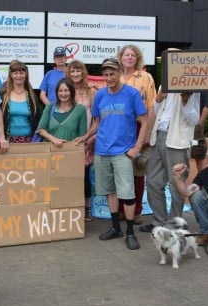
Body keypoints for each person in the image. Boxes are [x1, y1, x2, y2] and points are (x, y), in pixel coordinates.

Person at [74, 58, 149, 250]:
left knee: (128, 193)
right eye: (106, 75)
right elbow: (97, 122)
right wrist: (86, 137)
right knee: (110, 191)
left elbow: (145, 120)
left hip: (123, 152)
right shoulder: (99, 96)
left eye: (112, 74)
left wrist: (137, 147)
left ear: (119, 73)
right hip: (102, 150)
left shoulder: (131, 94)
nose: (109, 78)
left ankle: (130, 232)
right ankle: (116, 228)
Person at [139, 86, 200, 233]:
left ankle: (174, 225)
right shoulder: (164, 84)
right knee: (153, 182)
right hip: (158, 136)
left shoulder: (193, 86)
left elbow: (194, 119)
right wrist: (159, 99)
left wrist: (186, 102)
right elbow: (157, 109)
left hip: (178, 140)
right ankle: (159, 222)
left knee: (176, 185)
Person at [117, 44, 157, 224]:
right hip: (120, 129)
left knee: (137, 172)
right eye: (126, 55)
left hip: (140, 127)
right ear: (121, 57)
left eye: (133, 55)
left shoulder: (146, 77)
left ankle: (138, 210)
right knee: (119, 169)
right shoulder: (115, 77)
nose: (129, 58)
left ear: (137, 58)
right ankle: (120, 209)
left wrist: (148, 132)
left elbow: (151, 106)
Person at [66, 60, 97, 222]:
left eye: (78, 71)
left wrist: (90, 138)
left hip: (86, 138)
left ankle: (86, 208)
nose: (76, 74)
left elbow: (97, 117)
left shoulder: (90, 91)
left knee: (85, 176)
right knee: (69, 175)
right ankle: (71, 207)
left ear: (83, 72)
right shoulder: (65, 90)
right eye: (73, 71)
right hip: (69, 139)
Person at [36, 78, 86, 148]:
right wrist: (54, 139)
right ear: (57, 93)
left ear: (72, 91)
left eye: (66, 90)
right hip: (49, 152)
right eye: (60, 91)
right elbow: (40, 130)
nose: (63, 94)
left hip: (70, 152)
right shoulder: (50, 107)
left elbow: (82, 137)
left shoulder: (80, 109)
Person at [1, 60, 42, 143]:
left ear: (25, 75)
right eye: (15, 73)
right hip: (8, 141)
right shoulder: (4, 96)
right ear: (11, 75)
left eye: (21, 73)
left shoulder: (32, 97)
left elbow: (38, 119)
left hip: (29, 140)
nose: (18, 76)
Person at [191, 92, 208, 171]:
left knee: (199, 151)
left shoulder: (205, 82)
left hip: (196, 124)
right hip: (181, 124)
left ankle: (203, 179)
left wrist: (199, 126)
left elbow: (207, 106)